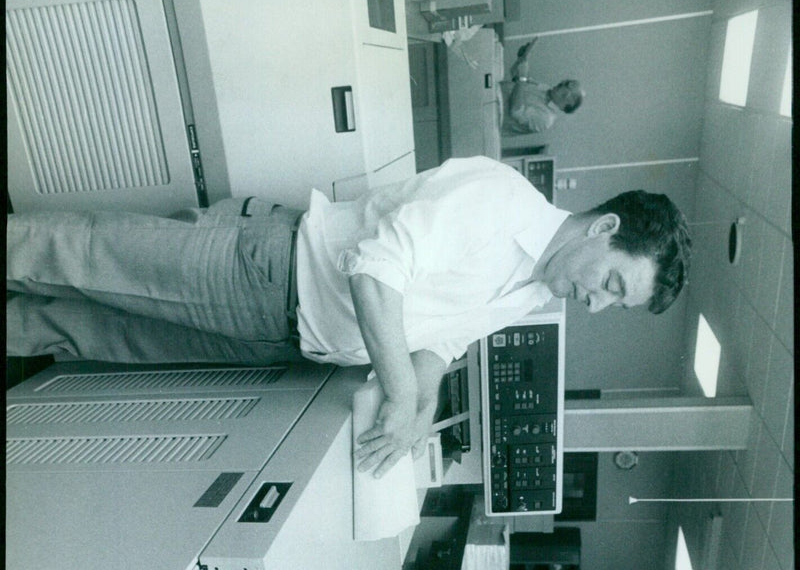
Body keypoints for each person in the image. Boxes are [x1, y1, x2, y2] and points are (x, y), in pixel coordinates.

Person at [7, 156, 690, 478]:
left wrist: (420, 408)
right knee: (75, 255)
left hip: (283, 338)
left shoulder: (534, 291)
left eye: (611, 305)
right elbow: (375, 270)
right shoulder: (499, 202)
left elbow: (441, 341)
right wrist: (396, 391)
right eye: (610, 284)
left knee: (81, 333)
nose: (595, 304)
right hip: (264, 274)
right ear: (604, 229)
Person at [506, 37, 583, 134]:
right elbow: (515, 80)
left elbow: (515, 111)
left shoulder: (546, 119)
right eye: (565, 82)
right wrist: (521, 59)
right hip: (492, 92)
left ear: (567, 101)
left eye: (566, 85)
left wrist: (522, 77)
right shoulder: (546, 89)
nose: (562, 83)